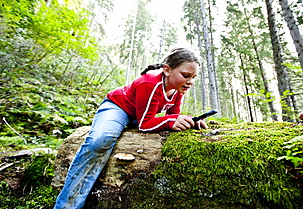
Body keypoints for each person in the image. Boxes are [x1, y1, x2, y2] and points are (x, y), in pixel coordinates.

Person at [54, 47, 208, 209]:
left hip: (137, 116)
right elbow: (146, 124)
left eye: (193, 77)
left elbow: (173, 116)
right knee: (99, 141)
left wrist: (189, 121)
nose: (190, 81)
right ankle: (67, 206)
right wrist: (171, 121)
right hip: (117, 108)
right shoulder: (150, 83)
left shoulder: (178, 89)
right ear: (167, 70)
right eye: (186, 76)